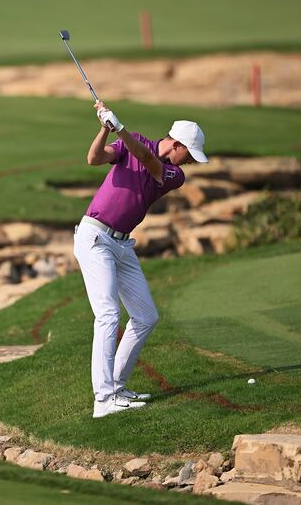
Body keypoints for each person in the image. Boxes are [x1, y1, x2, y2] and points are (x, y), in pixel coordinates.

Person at [74, 101, 209, 418]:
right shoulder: (131, 141)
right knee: (108, 315)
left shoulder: (175, 174)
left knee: (146, 316)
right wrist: (105, 128)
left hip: (121, 245)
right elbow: (94, 159)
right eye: (188, 154)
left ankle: (116, 387)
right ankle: (103, 399)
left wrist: (119, 127)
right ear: (176, 144)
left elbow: (148, 159)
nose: (189, 161)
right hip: (95, 238)